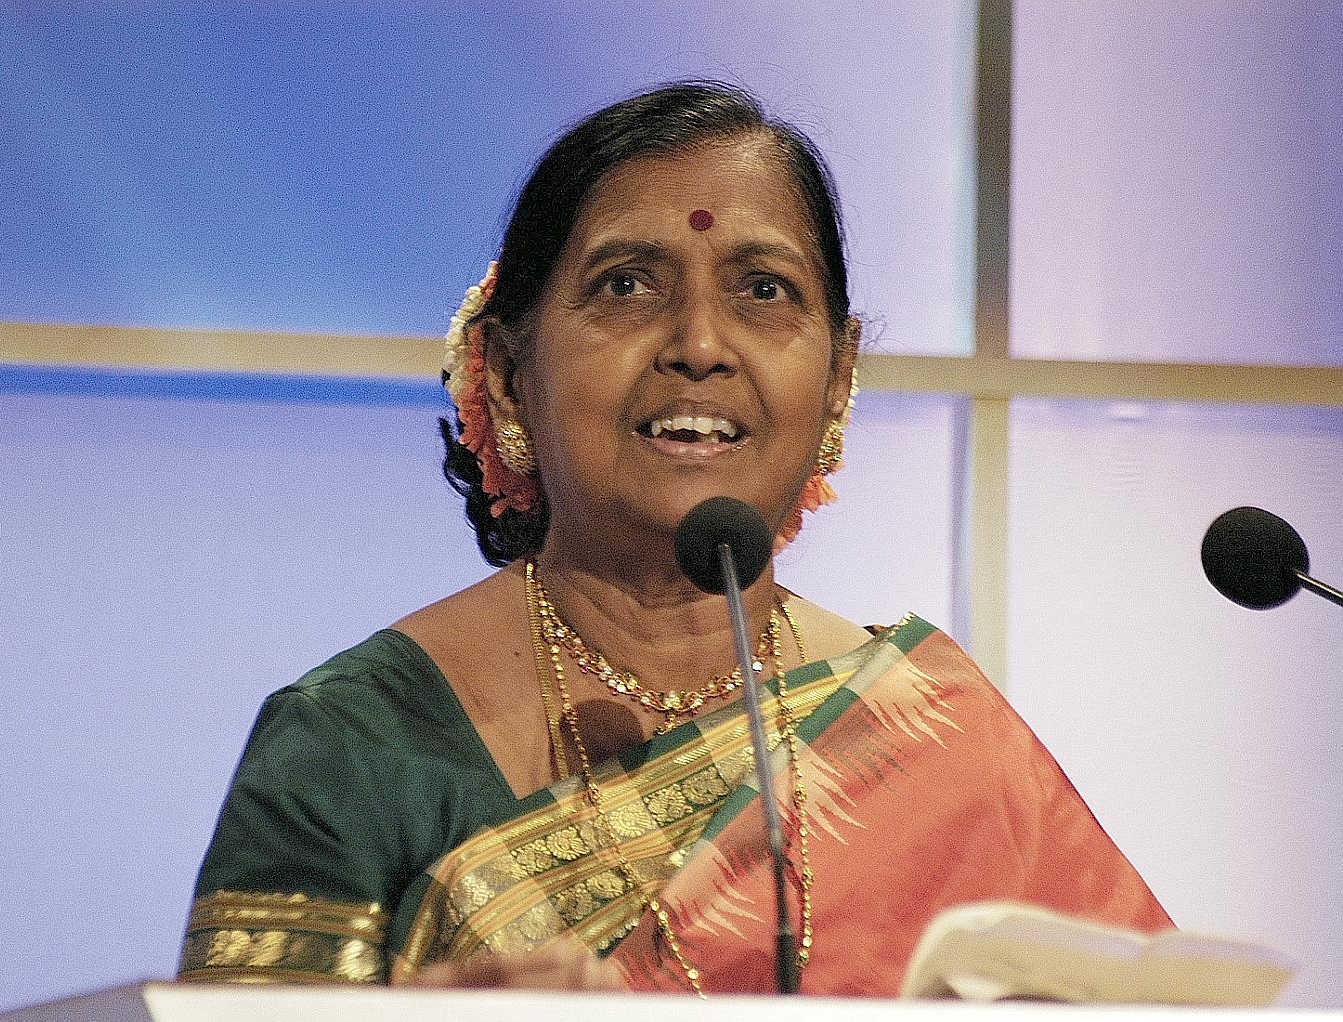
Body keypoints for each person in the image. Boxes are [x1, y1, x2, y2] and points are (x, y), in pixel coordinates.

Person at [177, 82, 1170, 996]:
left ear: (835, 381)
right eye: (626, 285)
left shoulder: (940, 740)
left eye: (764, 290)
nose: (699, 344)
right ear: (511, 376)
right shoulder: (352, 743)